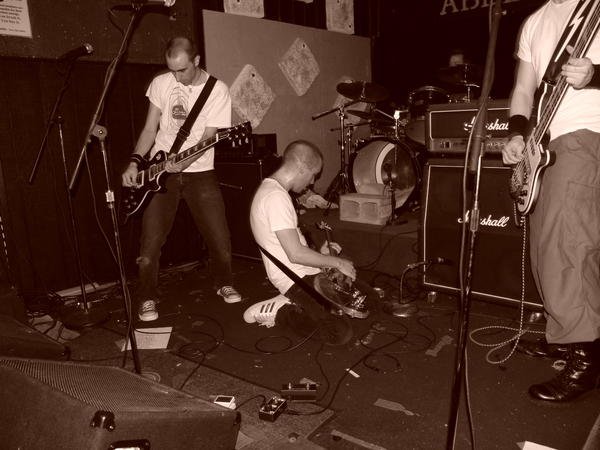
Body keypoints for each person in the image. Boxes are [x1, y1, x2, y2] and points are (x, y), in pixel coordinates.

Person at [502, 0, 600, 403]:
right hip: (544, 142)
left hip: (586, 133)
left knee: (566, 247)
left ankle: (585, 360)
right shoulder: (535, 21)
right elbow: (524, 89)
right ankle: (567, 335)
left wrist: (595, 75)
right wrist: (516, 133)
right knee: (547, 249)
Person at [122, 37, 241, 322]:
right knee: (150, 243)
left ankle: (224, 282)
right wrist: (135, 162)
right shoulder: (160, 83)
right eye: (172, 70)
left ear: (196, 61)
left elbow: (208, 138)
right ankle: (147, 297)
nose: (176, 77)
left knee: (219, 237)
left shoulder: (217, 90)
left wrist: (183, 163)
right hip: (158, 170)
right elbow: (150, 129)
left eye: (182, 70)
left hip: (201, 173)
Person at [245, 140, 356, 345]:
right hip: (293, 278)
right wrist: (336, 262)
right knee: (339, 333)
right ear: (301, 168)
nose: (312, 182)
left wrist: (322, 255)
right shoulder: (275, 198)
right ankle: (281, 311)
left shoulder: (276, 192)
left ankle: (301, 302)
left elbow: (292, 246)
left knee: (352, 295)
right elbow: (295, 254)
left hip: (303, 270)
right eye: (313, 174)